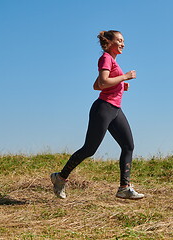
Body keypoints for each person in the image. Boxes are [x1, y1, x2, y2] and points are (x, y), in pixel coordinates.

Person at [50, 30, 144, 200]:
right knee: (89, 149)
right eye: (120, 40)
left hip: (115, 109)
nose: (123, 44)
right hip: (103, 109)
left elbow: (97, 85)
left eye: (124, 41)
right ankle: (60, 178)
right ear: (109, 42)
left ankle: (124, 187)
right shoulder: (106, 58)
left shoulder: (112, 61)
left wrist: (120, 85)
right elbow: (101, 83)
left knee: (128, 145)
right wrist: (124, 77)